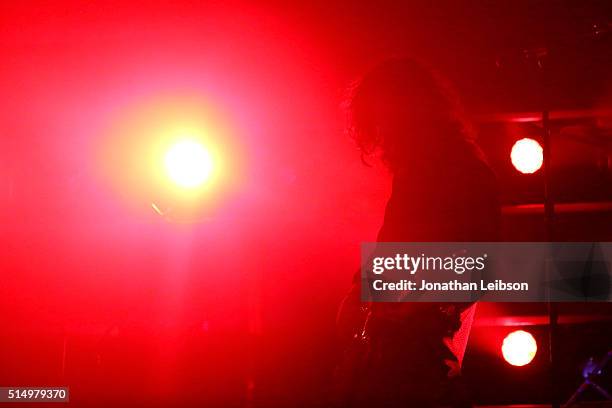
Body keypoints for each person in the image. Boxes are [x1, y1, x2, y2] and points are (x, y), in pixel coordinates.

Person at [334, 58, 501, 408]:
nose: (380, 141)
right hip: (406, 349)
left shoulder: (452, 171)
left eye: (383, 125)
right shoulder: (429, 170)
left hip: (414, 356)